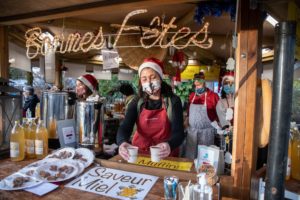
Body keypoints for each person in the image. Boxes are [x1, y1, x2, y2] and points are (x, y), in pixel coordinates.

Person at [117, 57, 185, 161]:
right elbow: (125, 127)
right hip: (140, 154)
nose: (148, 82)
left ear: (160, 78)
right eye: (144, 79)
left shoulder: (173, 101)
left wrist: (170, 144)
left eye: (153, 77)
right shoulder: (137, 102)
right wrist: (122, 142)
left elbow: (179, 132)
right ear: (141, 81)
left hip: (165, 154)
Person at [184, 72, 219, 159]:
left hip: (206, 134)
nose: (198, 87)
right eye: (196, 85)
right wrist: (186, 120)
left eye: (200, 84)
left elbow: (219, 114)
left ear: (204, 82)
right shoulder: (192, 96)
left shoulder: (213, 96)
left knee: (205, 158)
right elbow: (189, 112)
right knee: (190, 156)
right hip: (192, 132)